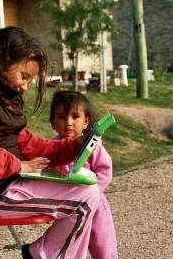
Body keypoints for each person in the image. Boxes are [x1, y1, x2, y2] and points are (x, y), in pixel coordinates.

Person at [0, 27, 100, 259]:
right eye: (24, 76)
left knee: (88, 192)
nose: (25, 86)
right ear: (1, 62)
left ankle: (42, 253)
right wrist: (19, 166)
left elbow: (29, 144)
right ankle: (42, 254)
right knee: (85, 198)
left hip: (6, 186)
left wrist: (74, 145)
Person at [49, 90, 118, 259]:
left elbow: (104, 171)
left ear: (86, 121)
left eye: (75, 117)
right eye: (61, 117)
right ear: (52, 122)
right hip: (68, 207)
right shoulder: (52, 146)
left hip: (94, 206)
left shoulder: (91, 146)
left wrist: (94, 192)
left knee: (102, 247)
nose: (68, 123)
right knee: (69, 246)